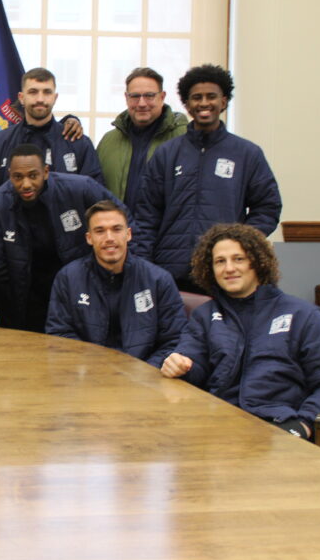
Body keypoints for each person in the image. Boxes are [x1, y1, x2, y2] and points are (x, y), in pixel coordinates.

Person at [161, 223, 320, 440]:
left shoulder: (303, 314)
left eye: (238, 259)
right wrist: (180, 366)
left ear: (257, 263)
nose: (229, 268)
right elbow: (193, 364)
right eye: (220, 261)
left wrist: (303, 423)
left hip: (278, 427)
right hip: (218, 424)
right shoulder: (205, 315)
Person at [0, 143, 129, 333]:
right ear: (10, 174)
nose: (26, 184)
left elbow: (124, 221)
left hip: (77, 290)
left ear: (46, 172)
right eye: (18, 177)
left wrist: (129, 276)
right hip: (23, 297)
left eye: (33, 175)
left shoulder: (81, 188)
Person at [132, 64, 282, 292]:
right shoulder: (167, 154)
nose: (204, 103)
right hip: (170, 273)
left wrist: (240, 244)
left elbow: (268, 207)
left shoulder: (247, 153)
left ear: (223, 101)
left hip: (224, 272)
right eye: (196, 97)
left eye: (211, 96)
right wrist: (145, 266)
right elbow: (147, 215)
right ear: (187, 104)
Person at [46, 200, 186, 365]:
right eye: (100, 231)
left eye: (116, 229)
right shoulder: (68, 278)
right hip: (86, 377)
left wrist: (145, 372)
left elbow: (175, 339)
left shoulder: (158, 280)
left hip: (145, 380)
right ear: (89, 238)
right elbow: (59, 335)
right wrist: (93, 367)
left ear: (128, 234)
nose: (109, 238)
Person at [0, 67, 103, 189]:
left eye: (47, 92)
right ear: (21, 98)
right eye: (33, 92)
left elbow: (94, 196)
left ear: (55, 98)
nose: (40, 99)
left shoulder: (78, 143)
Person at [96, 67, 188, 207]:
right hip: (118, 227)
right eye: (135, 96)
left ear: (162, 97)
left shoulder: (183, 138)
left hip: (164, 228)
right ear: (126, 98)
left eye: (149, 95)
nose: (142, 103)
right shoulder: (108, 141)